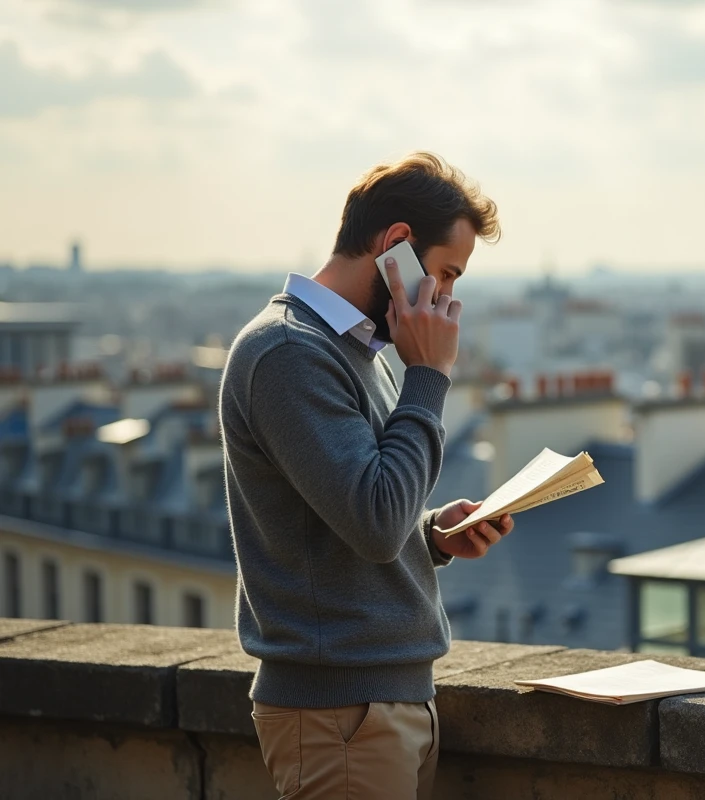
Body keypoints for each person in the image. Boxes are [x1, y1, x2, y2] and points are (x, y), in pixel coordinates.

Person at [219, 152, 514, 799]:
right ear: (397, 247)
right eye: (444, 274)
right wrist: (430, 377)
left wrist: (433, 535)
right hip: (340, 712)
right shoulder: (289, 351)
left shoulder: (359, 352)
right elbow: (377, 524)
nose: (444, 298)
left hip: (378, 702)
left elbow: (360, 517)